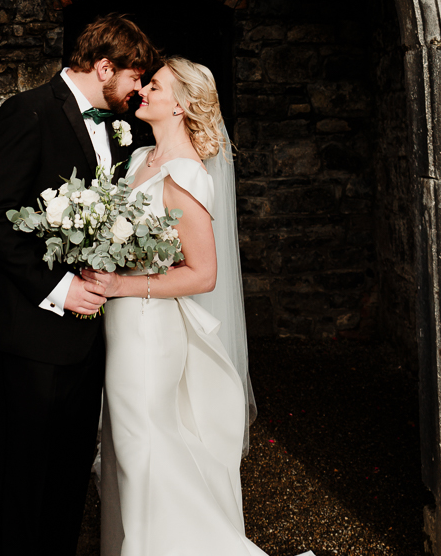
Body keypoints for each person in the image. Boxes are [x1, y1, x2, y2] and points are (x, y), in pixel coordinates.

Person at [81, 57, 298, 556]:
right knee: (126, 445)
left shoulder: (184, 174)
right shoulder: (140, 161)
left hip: (149, 328)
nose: (144, 92)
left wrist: (119, 286)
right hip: (123, 323)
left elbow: (203, 274)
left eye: (155, 86)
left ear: (180, 107)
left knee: (145, 444)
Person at [0, 14, 159, 556]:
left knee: (71, 474)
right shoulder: (27, 112)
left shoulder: (118, 129)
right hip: (31, 330)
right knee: (24, 478)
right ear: (104, 67)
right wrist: (59, 290)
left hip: (92, 335)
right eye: (134, 78)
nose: (138, 91)